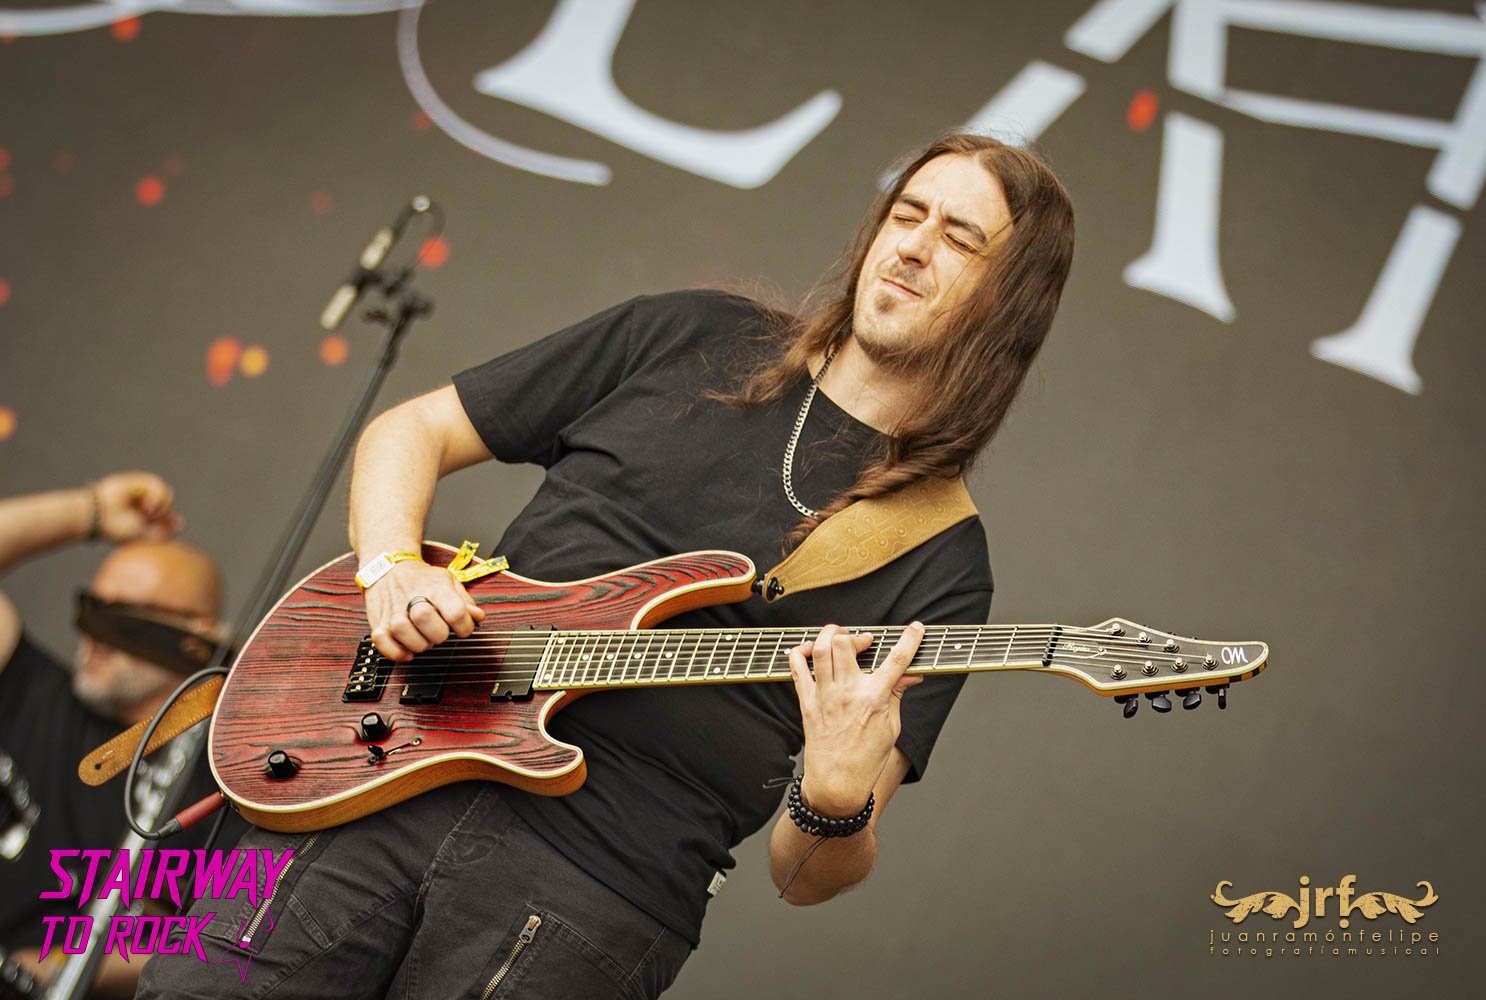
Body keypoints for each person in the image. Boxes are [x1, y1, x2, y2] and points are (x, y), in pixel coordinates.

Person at [140, 131, 1074, 999]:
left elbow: (804, 875)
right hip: (375, 777)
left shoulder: (942, 557)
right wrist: (390, 567)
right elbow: (411, 431)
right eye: (908, 213)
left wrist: (833, 800)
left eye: (960, 238)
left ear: (1010, 302)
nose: (912, 246)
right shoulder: (697, 336)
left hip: (584, 903)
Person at [0, 473, 225, 997]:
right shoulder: (31, 689)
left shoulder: (215, 786)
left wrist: (53, 967)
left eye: (125, 621)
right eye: (93, 609)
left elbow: (215, 938)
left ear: (197, 639)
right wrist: (91, 512)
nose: (95, 638)